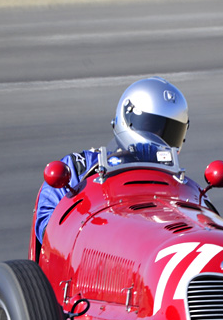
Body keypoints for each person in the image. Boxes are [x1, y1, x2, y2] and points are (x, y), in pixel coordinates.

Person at [33, 76, 190, 246]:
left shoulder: (179, 185)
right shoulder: (79, 167)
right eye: (152, 126)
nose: (160, 140)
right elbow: (47, 231)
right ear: (128, 117)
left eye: (171, 133)